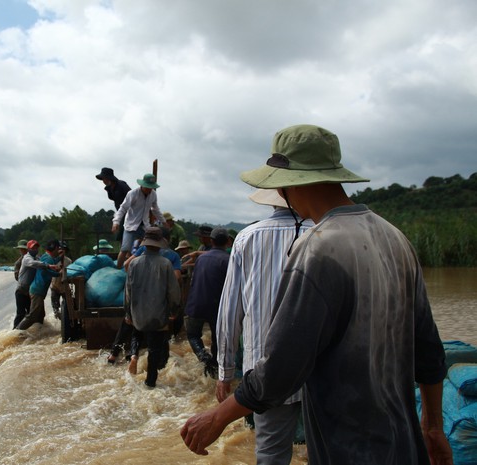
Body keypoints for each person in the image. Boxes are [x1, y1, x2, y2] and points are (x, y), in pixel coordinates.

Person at [181, 124, 452, 465]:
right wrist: (432, 426)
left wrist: (218, 417)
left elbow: (282, 367)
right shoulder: (395, 238)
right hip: (403, 443)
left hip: (348, 446)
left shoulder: (317, 248)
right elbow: (429, 352)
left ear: (284, 185)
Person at [216, 188, 313, 465]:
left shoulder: (247, 238)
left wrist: (225, 371)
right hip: (319, 370)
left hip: (265, 373)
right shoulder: (323, 232)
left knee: (271, 453)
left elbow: (229, 312)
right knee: (324, 449)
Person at [124, 227, 181, 388]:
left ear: (145, 244)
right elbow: (173, 291)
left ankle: (133, 358)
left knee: (138, 334)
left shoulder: (134, 264)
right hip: (158, 316)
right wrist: (174, 310)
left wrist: (128, 313)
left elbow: (127, 291)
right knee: (154, 350)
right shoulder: (166, 264)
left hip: (138, 314)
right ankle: (150, 382)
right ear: (159, 244)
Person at [183, 227, 230, 379]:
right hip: (218, 306)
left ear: (211, 241)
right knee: (218, 338)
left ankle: (205, 358)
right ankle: (215, 366)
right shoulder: (229, 260)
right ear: (228, 242)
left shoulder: (202, 258)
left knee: (192, 335)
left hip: (196, 303)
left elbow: (194, 281)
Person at [112, 173, 166, 269]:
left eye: (151, 188)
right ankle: (117, 268)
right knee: (125, 249)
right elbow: (123, 208)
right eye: (147, 187)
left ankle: (147, 267)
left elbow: (155, 209)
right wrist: (116, 222)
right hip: (131, 225)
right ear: (142, 185)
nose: (149, 190)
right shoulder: (133, 194)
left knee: (151, 246)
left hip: (145, 225)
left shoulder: (153, 194)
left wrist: (163, 221)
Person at [16, 240, 62, 330]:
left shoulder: (39, 258)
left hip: (33, 289)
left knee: (40, 315)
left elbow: (49, 262)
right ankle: (16, 333)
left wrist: (59, 258)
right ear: (28, 249)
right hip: (25, 290)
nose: (35, 249)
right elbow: (42, 268)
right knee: (30, 315)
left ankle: (38, 334)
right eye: (33, 248)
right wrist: (56, 272)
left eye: (36, 247)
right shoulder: (27, 258)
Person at [50, 241, 72, 320]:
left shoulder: (68, 261)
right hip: (55, 286)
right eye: (59, 249)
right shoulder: (53, 260)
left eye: (63, 249)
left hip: (64, 287)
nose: (61, 251)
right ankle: (59, 320)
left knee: (68, 307)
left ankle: (66, 320)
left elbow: (71, 273)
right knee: (56, 309)